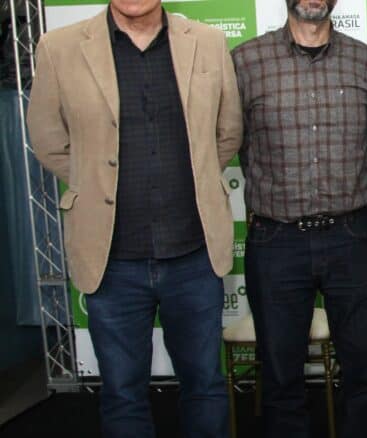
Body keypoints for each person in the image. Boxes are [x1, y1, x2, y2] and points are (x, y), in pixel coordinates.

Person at [26, 0, 241, 436]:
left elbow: (228, 130)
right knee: (123, 393)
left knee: (205, 385)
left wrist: (195, 175)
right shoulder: (58, 47)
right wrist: (93, 180)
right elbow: (48, 140)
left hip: (194, 255)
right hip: (112, 260)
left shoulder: (208, 42)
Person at [230, 0, 367, 436]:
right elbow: (228, 139)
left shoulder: (366, 61)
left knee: (364, 372)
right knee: (280, 378)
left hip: (354, 236)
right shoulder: (245, 61)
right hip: (276, 240)